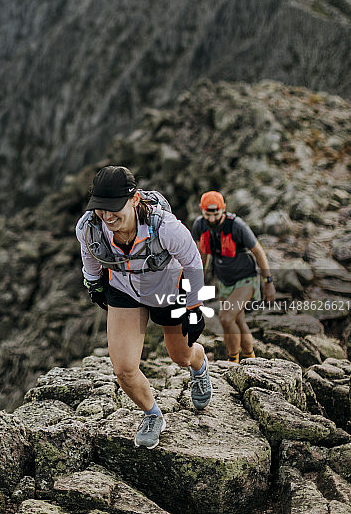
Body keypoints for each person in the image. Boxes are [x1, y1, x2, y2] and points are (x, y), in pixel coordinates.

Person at [76, 165, 212, 450]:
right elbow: (90, 257)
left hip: (167, 291)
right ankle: (153, 415)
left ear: (135, 199)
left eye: (115, 208)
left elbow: (193, 264)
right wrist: (94, 284)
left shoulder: (166, 227)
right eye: (101, 208)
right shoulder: (89, 228)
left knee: (181, 357)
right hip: (125, 292)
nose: (107, 216)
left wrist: (194, 306)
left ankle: (199, 366)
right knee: (124, 369)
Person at [191, 191, 275, 363]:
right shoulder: (200, 226)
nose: (212, 219)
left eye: (216, 214)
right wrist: (198, 282)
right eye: (208, 215)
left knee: (226, 317)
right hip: (225, 282)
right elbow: (203, 255)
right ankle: (250, 358)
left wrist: (268, 282)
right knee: (238, 319)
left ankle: (233, 361)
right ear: (202, 211)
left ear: (223, 210)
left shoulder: (237, 226)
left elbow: (258, 252)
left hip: (246, 279)